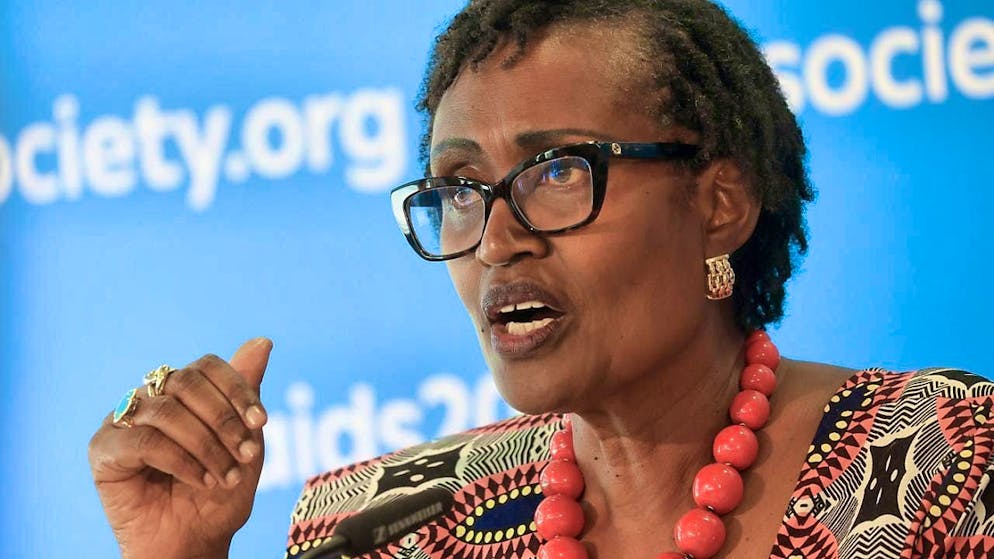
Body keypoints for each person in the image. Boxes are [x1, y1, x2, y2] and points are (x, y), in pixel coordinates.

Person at [88, 1, 994, 558]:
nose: (495, 238)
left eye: (558, 169)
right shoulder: (379, 531)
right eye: (459, 188)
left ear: (720, 204)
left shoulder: (950, 462)